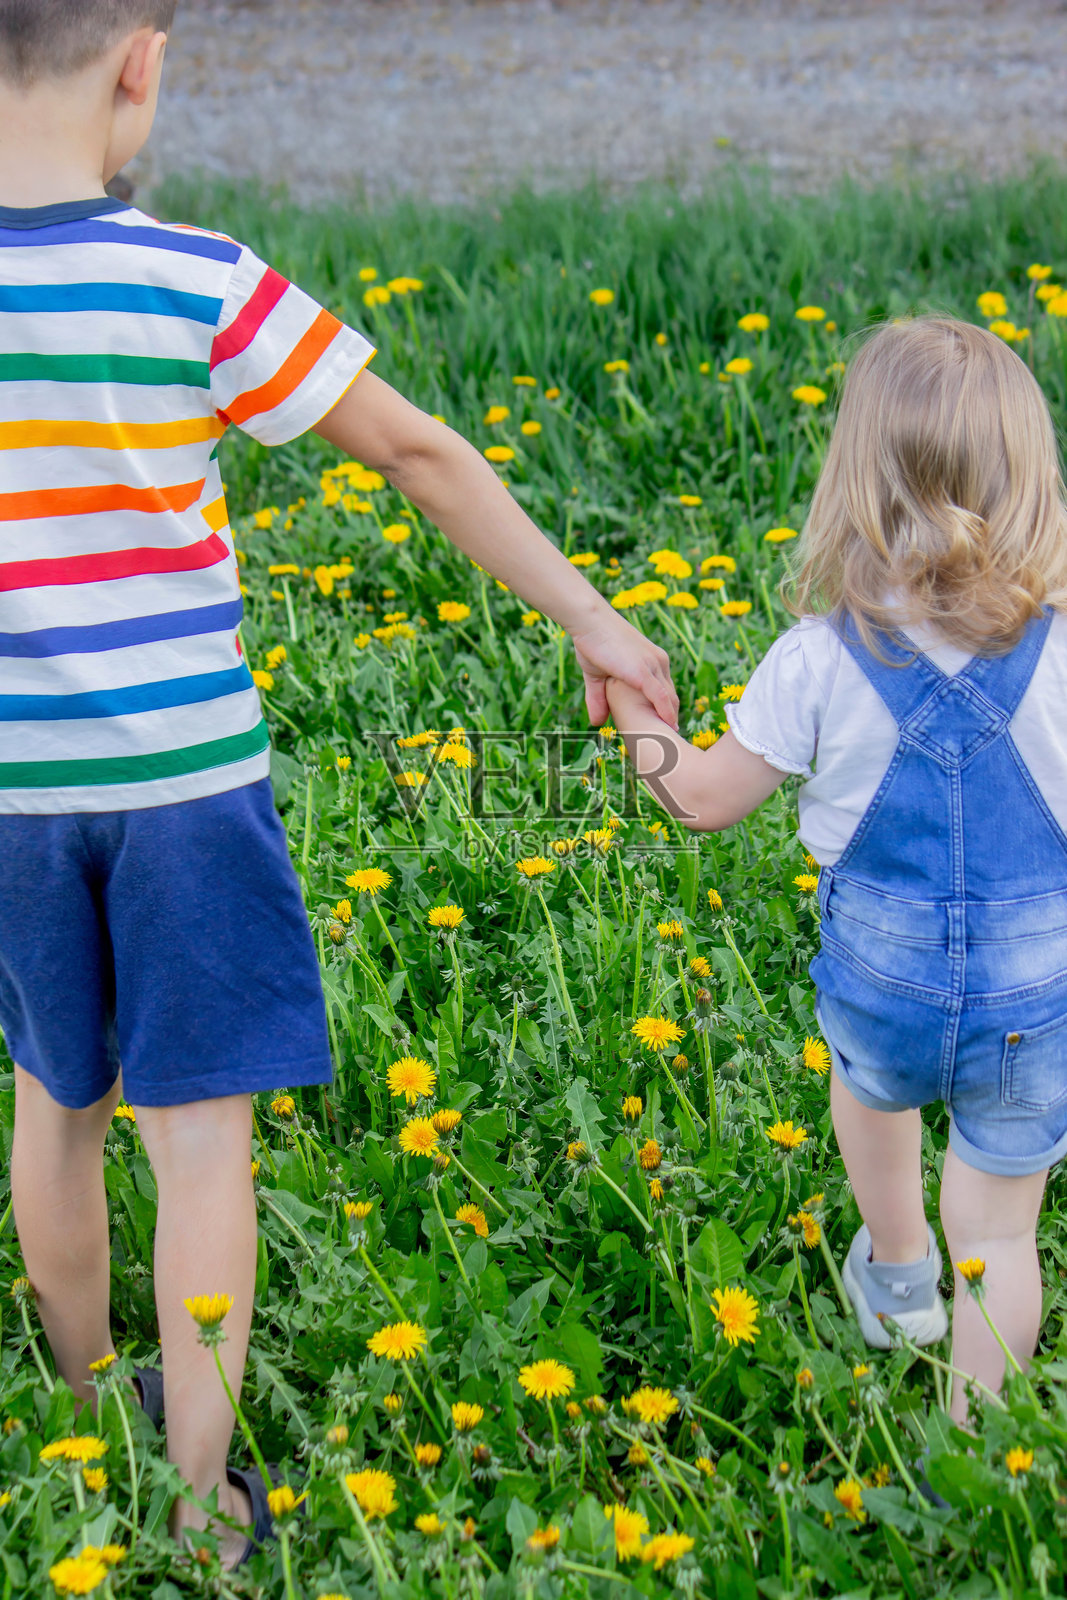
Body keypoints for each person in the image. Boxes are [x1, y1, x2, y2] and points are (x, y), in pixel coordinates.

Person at [0, 0, 678, 1569]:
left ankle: (88, 1398)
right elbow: (419, 454)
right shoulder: (190, 277)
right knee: (200, 1144)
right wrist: (588, 615)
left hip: (14, 801)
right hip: (184, 795)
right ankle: (193, 1495)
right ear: (138, 61)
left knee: (57, 1104)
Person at [607, 314, 1067, 1429]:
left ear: (853, 481)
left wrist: (631, 714)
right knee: (999, 1231)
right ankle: (975, 1436)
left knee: (869, 1090)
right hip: (1031, 999)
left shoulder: (816, 656)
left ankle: (897, 1270)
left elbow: (704, 800)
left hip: (882, 985)